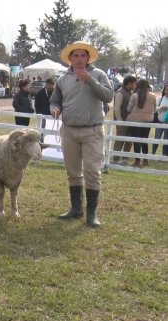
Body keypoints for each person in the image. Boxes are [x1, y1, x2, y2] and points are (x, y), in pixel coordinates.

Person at [50, 41, 113, 228]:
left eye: (82, 56)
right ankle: (76, 209)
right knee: (73, 171)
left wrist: (89, 79)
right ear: (69, 58)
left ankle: (91, 214)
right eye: (75, 56)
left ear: (88, 58)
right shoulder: (62, 79)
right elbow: (55, 101)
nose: (79, 59)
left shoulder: (99, 75)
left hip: (92, 130)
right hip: (69, 130)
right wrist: (55, 109)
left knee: (92, 171)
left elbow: (108, 96)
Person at [126, 79, 156, 167]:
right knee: (145, 140)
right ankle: (146, 160)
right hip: (147, 120)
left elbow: (128, 109)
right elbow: (154, 108)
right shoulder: (153, 96)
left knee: (136, 141)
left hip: (135, 120)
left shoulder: (134, 96)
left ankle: (137, 161)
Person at [152, 84, 168, 156]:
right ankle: (153, 153)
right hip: (159, 121)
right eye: (166, 89)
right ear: (164, 90)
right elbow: (154, 109)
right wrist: (161, 108)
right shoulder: (160, 98)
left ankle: (164, 155)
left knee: (166, 139)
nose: (167, 91)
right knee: (157, 138)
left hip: (167, 123)